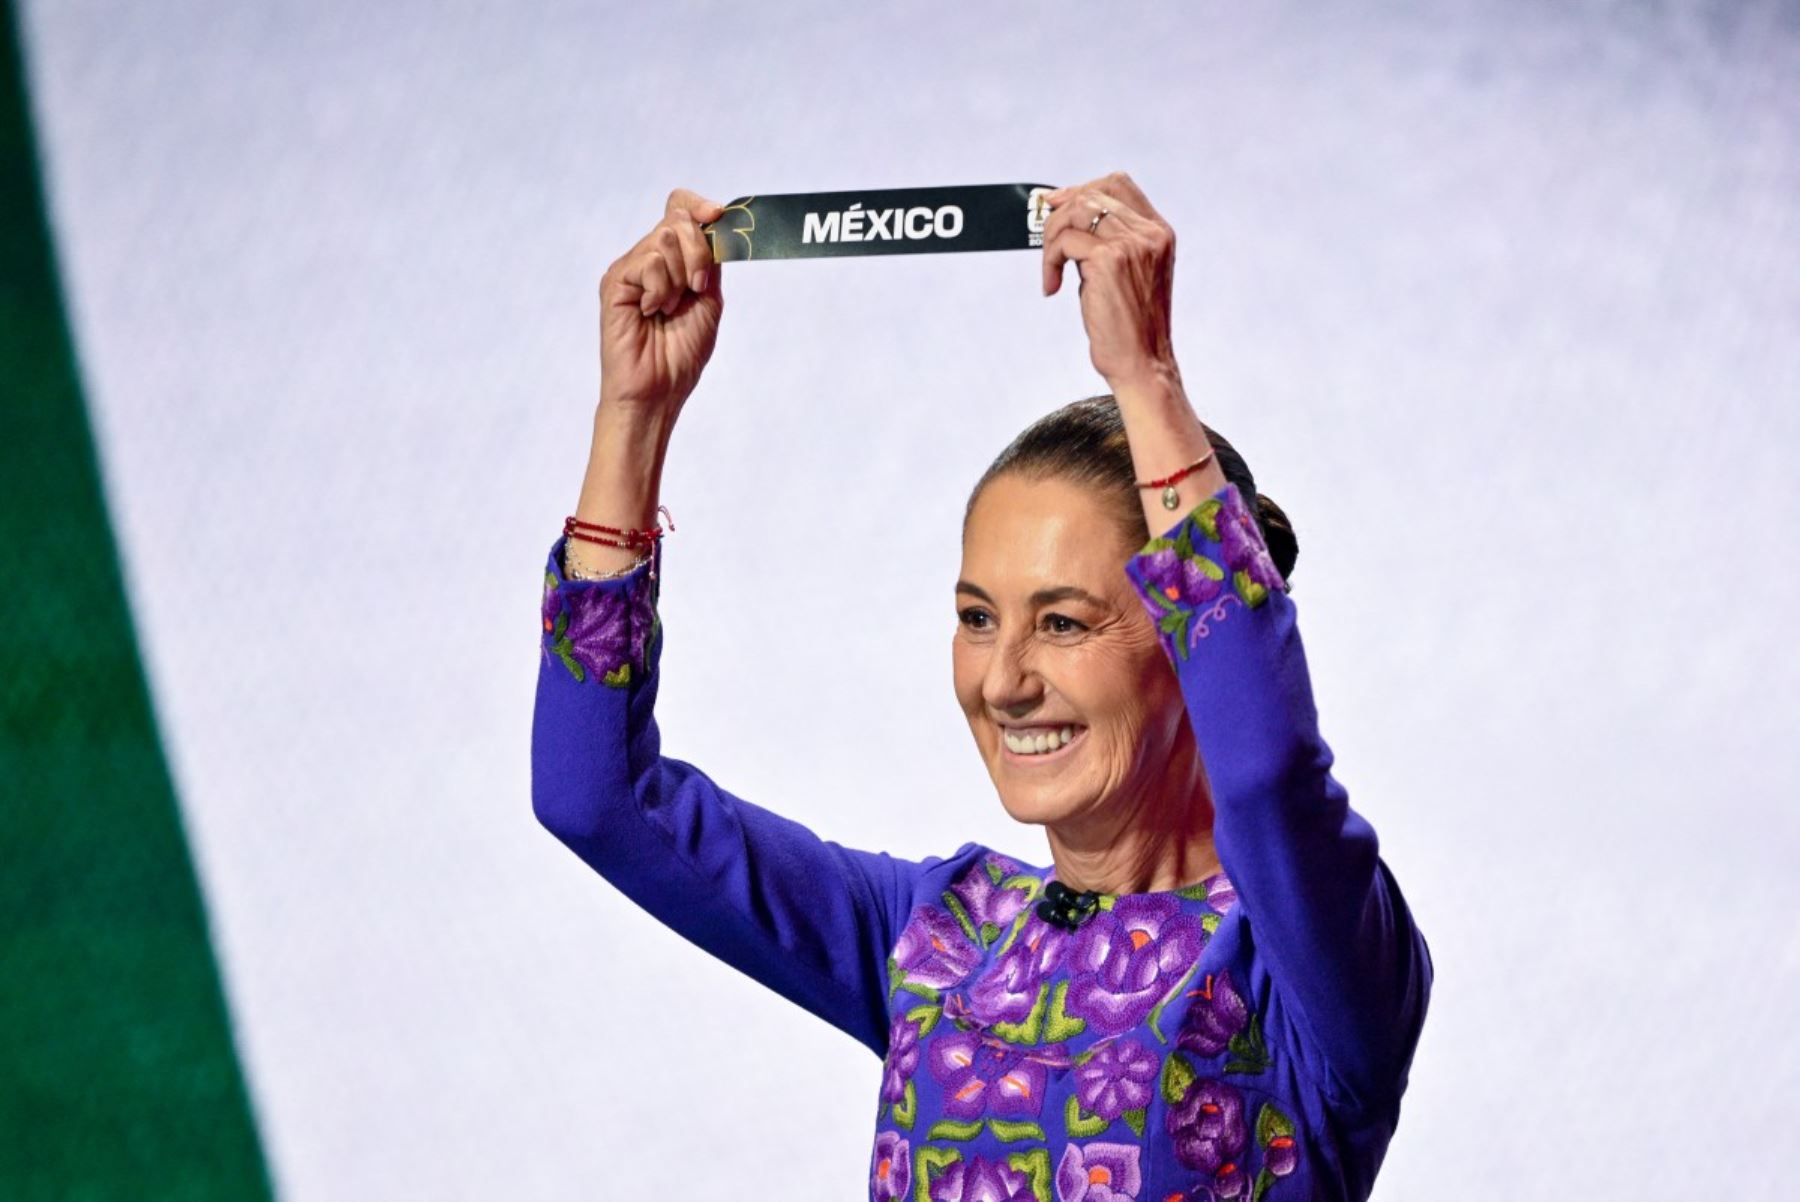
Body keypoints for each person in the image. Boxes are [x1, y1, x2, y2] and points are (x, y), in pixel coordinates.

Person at [532, 172, 1432, 1202]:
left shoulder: (1309, 965)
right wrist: (632, 419)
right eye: (975, 617)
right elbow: (594, 795)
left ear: (1190, 632)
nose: (1004, 680)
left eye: (1061, 620)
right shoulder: (938, 935)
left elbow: (1270, 775)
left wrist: (1145, 377)